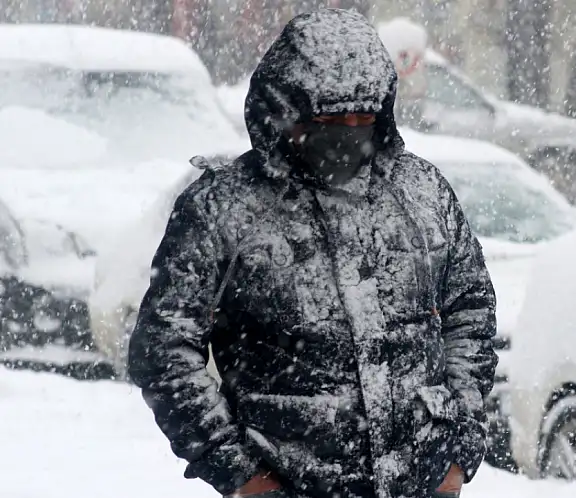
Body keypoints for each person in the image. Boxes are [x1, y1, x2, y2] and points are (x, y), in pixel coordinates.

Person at [127, 8, 498, 498]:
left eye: (362, 118)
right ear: (284, 111)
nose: (348, 132)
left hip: (420, 482)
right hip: (290, 483)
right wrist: (239, 473)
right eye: (330, 119)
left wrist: (458, 448)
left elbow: (470, 312)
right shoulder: (225, 208)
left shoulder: (421, 192)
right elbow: (164, 350)